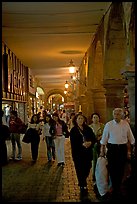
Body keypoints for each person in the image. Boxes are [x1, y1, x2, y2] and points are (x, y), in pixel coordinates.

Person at [100, 108, 135, 200]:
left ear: (122, 115)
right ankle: (115, 188)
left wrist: (133, 145)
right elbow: (104, 140)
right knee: (112, 168)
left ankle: (117, 188)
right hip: (112, 148)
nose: (116, 116)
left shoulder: (125, 124)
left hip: (122, 148)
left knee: (121, 169)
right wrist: (102, 150)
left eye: (118, 114)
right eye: (115, 114)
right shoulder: (109, 125)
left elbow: (130, 137)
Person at [70, 113, 96, 196]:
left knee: (87, 168)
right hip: (78, 153)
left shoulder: (88, 129)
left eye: (82, 118)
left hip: (87, 153)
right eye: (79, 119)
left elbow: (93, 138)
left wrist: (90, 143)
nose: (80, 120)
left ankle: (82, 180)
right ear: (76, 120)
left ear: (84, 120)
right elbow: (73, 143)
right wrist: (82, 144)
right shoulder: (73, 130)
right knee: (79, 169)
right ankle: (82, 185)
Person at [89, 113, 105, 185]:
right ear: (92, 119)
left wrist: (101, 136)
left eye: (97, 117)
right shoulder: (89, 127)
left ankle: (102, 176)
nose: (95, 119)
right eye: (94, 117)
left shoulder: (102, 126)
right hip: (93, 146)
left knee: (102, 161)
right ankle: (94, 177)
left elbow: (105, 134)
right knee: (94, 161)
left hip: (101, 145)